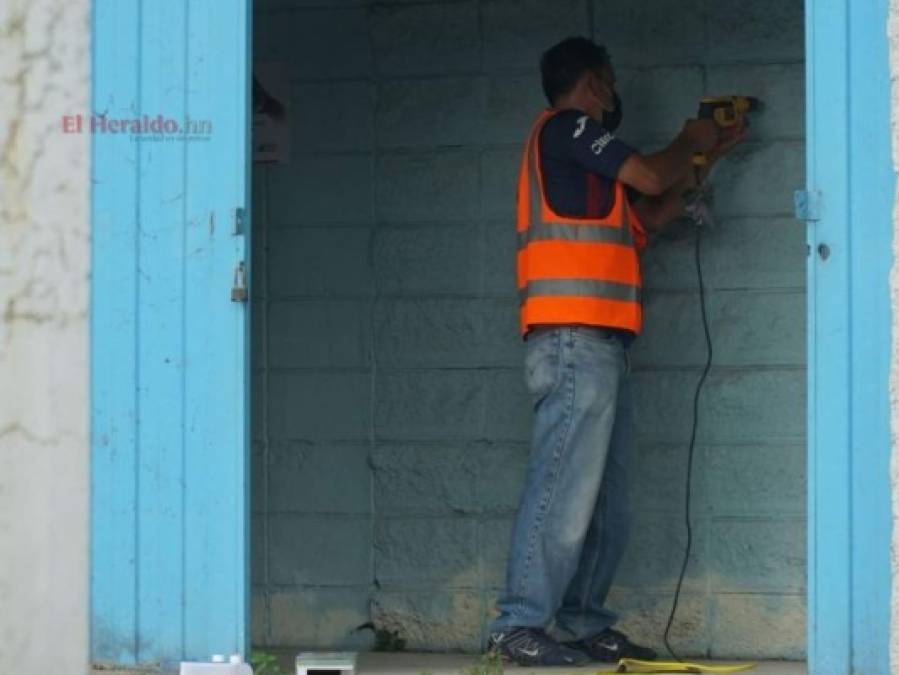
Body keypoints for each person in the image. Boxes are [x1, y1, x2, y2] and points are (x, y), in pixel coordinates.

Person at [487, 37, 745, 668]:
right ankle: (517, 625)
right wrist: (691, 137)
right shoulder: (568, 128)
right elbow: (655, 173)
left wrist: (709, 155)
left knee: (606, 500)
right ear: (594, 85)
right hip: (573, 341)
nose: (613, 97)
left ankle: (581, 623)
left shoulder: (586, 174)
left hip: (601, 345)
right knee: (562, 491)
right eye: (609, 83)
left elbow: (650, 214)